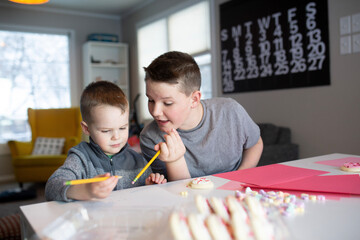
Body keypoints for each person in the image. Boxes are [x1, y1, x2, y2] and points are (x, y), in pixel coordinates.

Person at [140, 51, 263, 181]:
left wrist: (240, 176)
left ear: (194, 99)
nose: (155, 112)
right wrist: (174, 161)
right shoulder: (150, 138)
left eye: (167, 103)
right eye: (151, 100)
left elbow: (255, 143)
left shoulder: (230, 111)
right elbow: (178, 188)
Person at [45, 81, 167, 202]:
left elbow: (142, 201)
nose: (116, 136)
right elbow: (52, 187)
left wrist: (150, 187)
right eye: (106, 131)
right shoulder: (81, 158)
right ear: (86, 129)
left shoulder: (138, 161)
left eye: (122, 128)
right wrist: (85, 190)